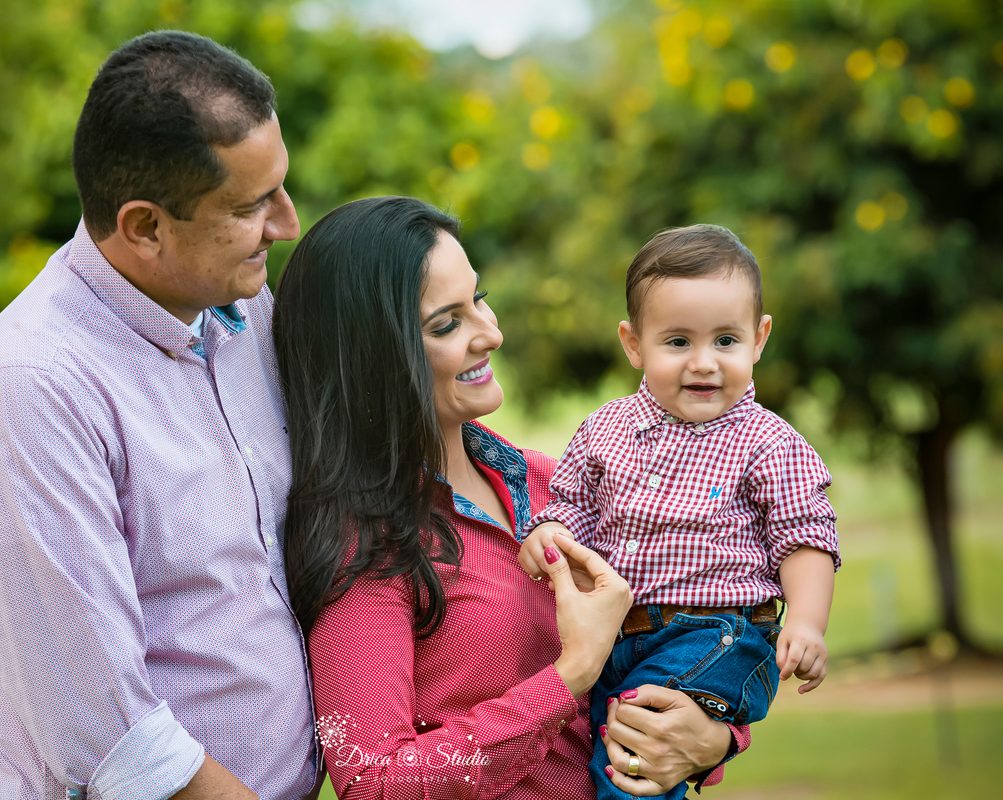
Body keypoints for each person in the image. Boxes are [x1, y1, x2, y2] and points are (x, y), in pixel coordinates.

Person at [0, 32, 318, 800]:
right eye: (250, 206)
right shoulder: (32, 388)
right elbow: (117, 744)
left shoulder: (244, 313)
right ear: (143, 226)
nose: (286, 223)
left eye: (279, 188)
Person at [274, 197, 751, 800]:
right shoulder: (370, 544)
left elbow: (696, 627)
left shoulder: (557, 486)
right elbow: (373, 780)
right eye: (446, 324)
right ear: (375, 355)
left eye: (479, 298)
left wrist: (716, 738)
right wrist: (570, 676)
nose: (490, 332)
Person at [518, 224, 841, 799]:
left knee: (633, 757)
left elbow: (805, 535)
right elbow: (573, 507)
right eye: (677, 342)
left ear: (759, 338)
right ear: (634, 342)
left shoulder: (766, 441)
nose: (703, 363)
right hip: (620, 637)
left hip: (720, 636)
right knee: (607, 754)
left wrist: (809, 622)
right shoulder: (606, 430)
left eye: (725, 341)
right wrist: (547, 531)